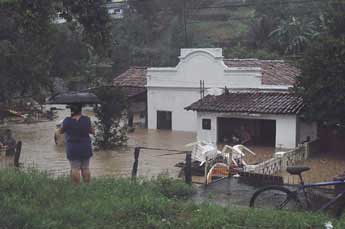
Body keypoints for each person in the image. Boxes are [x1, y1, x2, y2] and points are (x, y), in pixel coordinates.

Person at [60, 104, 94, 184]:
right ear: (80, 110)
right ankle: (87, 186)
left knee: (75, 168)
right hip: (86, 147)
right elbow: (92, 131)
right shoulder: (86, 120)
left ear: (71, 111)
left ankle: (76, 187)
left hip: (73, 147)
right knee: (86, 168)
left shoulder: (67, 121)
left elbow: (60, 131)